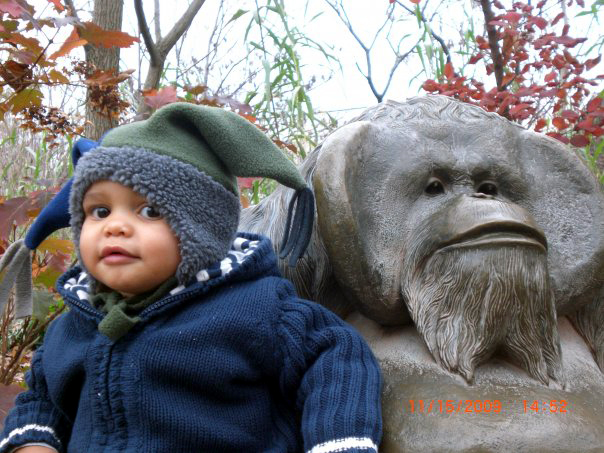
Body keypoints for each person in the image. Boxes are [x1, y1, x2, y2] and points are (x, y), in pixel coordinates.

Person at [0, 103, 382, 453]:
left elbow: (334, 356)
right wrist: (33, 442)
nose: (115, 226)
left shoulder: (255, 308)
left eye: (149, 210)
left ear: (203, 227)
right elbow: (42, 397)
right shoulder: (72, 327)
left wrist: (337, 440)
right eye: (99, 211)